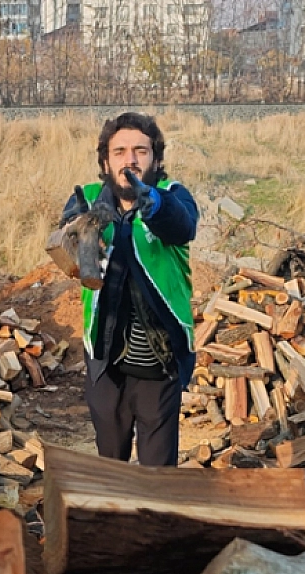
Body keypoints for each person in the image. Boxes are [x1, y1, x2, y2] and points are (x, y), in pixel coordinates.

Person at [60, 112, 199, 467]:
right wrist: (74, 231)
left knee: (157, 475)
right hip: (107, 361)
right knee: (110, 467)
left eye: (141, 150)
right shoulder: (87, 199)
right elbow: (62, 249)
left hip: (160, 358)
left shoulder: (173, 196)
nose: (130, 160)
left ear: (155, 158)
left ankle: (154, 523)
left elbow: (182, 226)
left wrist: (153, 203)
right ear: (105, 160)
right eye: (119, 151)